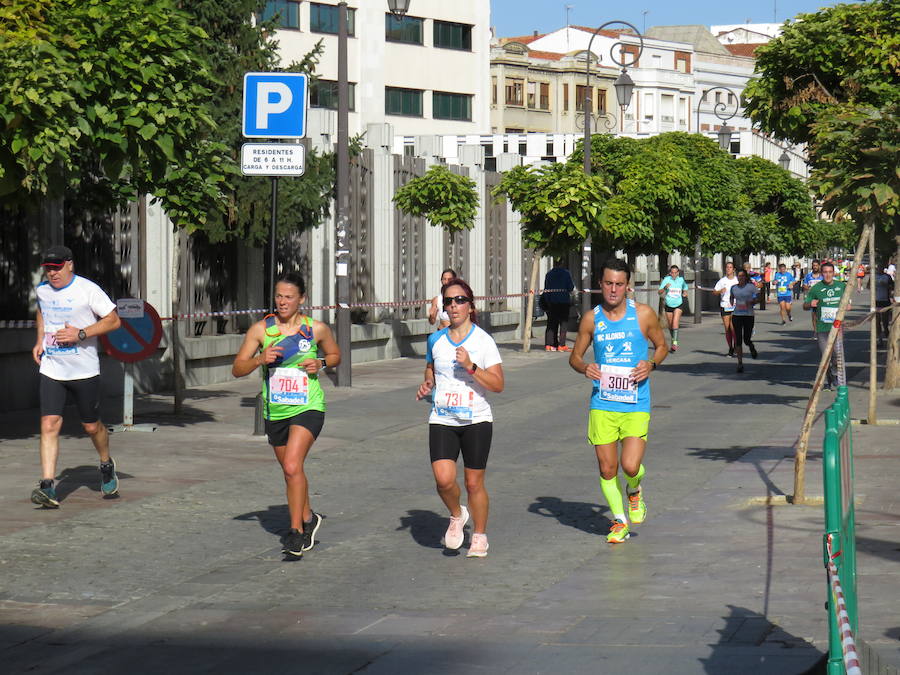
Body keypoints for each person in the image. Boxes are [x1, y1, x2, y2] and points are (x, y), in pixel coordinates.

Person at [232, 272, 341, 558]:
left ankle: (295, 532)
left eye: (288, 297)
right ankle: (308, 517)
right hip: (275, 409)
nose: (282, 302)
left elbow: (335, 356)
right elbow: (237, 368)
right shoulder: (261, 330)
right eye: (279, 296)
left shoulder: (315, 329)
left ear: (301, 299)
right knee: (290, 471)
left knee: (293, 465)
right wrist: (259, 359)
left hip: (308, 406)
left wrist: (320, 362)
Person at [569, 258, 668, 544]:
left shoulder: (644, 315)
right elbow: (574, 357)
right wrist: (585, 367)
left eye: (619, 284)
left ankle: (634, 490)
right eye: (609, 283)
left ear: (628, 286)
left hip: (635, 402)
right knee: (607, 468)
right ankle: (619, 521)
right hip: (603, 402)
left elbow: (662, 346)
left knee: (630, 466)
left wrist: (650, 364)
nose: (613, 289)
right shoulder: (591, 319)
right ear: (600, 284)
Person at [416, 278, 504, 558]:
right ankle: (457, 514)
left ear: (470, 305)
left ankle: (479, 535)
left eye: (460, 300)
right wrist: (428, 383)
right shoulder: (435, 340)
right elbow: (430, 368)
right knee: (443, 480)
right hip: (442, 417)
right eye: (449, 302)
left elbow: (498, 384)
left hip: (476, 419)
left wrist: (471, 366)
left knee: (473, 483)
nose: (454, 306)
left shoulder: (483, 341)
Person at [29, 246, 122, 508]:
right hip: (52, 368)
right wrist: (39, 340)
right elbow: (41, 310)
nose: (53, 273)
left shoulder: (87, 289)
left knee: (91, 426)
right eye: (48, 269)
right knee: (49, 423)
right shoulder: (43, 290)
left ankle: (106, 463)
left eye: (57, 268)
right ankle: (47, 486)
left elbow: (113, 321)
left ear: (70, 264)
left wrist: (81, 334)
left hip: (84, 370)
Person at [803, 262, 848, 391]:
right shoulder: (816, 288)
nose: (828, 275)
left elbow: (847, 302)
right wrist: (810, 303)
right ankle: (830, 379)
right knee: (825, 356)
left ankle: (834, 374)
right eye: (825, 272)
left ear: (834, 273)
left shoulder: (841, 286)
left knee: (836, 355)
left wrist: (847, 306)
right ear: (822, 274)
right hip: (822, 328)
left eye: (830, 272)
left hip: (837, 327)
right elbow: (805, 306)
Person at [542, 260, 575, 352]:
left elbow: (546, 288)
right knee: (563, 323)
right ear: (562, 263)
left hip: (551, 301)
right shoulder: (566, 273)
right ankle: (561, 345)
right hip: (563, 301)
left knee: (551, 323)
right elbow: (570, 287)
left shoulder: (549, 274)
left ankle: (549, 344)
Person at [730, 270, 759, 373]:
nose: (740, 278)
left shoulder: (751, 287)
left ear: (746, 277)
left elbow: (757, 299)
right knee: (738, 339)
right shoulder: (734, 288)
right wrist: (730, 302)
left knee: (746, 339)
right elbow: (731, 298)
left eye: (742, 276)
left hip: (748, 315)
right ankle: (740, 363)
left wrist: (752, 301)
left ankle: (751, 346)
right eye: (739, 276)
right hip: (737, 315)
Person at [658, 265, 688, 351]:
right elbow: (659, 292)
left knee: (675, 323)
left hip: (678, 304)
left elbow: (685, 288)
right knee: (671, 325)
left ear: (678, 273)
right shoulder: (666, 280)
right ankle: (673, 339)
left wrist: (685, 293)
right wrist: (664, 288)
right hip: (668, 305)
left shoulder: (681, 280)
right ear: (670, 273)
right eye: (672, 273)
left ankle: (675, 343)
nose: (674, 274)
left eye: (676, 273)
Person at [713, 262, 739, 357]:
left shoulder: (737, 280)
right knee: (727, 329)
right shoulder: (722, 281)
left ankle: (736, 345)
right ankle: (731, 348)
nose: (728, 269)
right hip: (725, 305)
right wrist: (720, 291)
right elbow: (714, 292)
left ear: (733, 269)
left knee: (733, 328)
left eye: (730, 267)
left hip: (735, 306)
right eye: (727, 267)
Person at [803, 261, 824, 338]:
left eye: (816, 265)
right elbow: (804, 285)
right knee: (814, 316)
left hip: (822, 298)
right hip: (813, 299)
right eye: (813, 265)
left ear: (819, 266)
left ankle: (823, 331)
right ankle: (816, 332)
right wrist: (809, 288)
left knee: (822, 316)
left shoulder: (822, 276)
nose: (815, 267)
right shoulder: (808, 276)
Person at [874, 264, 893, 347]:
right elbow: (868, 286)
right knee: (877, 322)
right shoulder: (873, 277)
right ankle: (880, 340)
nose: (879, 268)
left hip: (885, 301)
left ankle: (888, 339)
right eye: (878, 267)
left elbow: (892, 287)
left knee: (885, 322)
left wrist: (887, 287)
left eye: (881, 267)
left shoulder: (887, 277)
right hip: (876, 301)